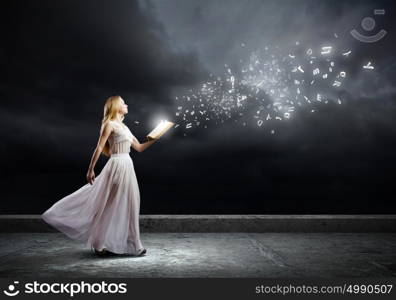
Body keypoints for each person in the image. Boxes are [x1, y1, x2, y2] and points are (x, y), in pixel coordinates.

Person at [41, 95, 157, 256]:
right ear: (115, 106)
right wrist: (90, 169)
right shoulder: (109, 125)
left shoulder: (125, 127)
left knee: (132, 203)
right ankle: (102, 243)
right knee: (110, 203)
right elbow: (99, 147)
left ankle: (134, 244)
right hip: (116, 165)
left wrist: (155, 138)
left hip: (128, 165)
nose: (126, 105)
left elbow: (139, 148)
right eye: (123, 103)